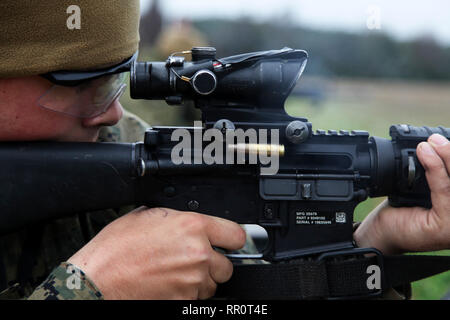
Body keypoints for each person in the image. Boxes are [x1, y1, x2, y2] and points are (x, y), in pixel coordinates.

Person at [0, 1, 448, 301]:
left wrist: (370, 245)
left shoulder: (126, 149)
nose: (113, 114)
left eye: (116, 80)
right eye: (86, 87)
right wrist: (93, 287)